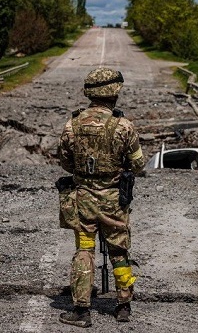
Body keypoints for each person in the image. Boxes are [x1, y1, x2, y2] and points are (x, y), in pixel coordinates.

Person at [57, 67, 145, 328]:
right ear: (114, 93)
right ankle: (123, 306)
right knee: (119, 250)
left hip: (83, 201)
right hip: (114, 203)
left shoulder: (72, 124)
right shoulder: (124, 125)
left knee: (84, 249)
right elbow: (138, 165)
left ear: (89, 93)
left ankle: (81, 311)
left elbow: (65, 162)